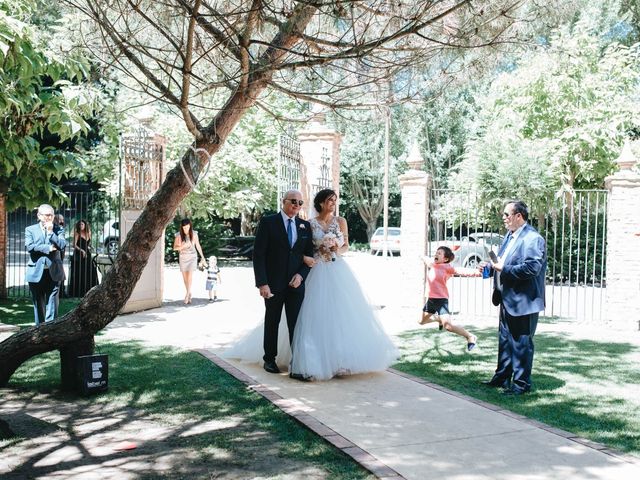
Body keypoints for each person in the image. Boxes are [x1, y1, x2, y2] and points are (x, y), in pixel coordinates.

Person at [479, 200, 546, 396]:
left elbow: (532, 268)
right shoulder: (510, 236)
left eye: (507, 215)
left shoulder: (533, 239)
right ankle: (501, 378)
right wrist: (489, 266)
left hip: (523, 300)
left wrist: (503, 268)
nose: (504, 218)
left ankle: (521, 385)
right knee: (506, 341)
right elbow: (501, 262)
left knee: (521, 344)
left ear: (519, 216)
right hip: (506, 297)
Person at [252, 189, 314, 375]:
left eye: (300, 202)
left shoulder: (305, 226)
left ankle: (298, 363)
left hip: (296, 285)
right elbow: (259, 255)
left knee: (296, 324)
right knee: (273, 321)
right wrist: (262, 283)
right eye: (293, 201)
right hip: (273, 284)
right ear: (284, 201)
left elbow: (309, 257)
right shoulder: (268, 222)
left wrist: (301, 275)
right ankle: (269, 359)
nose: (296, 205)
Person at [420, 246, 480, 351]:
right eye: (436, 252)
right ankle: (439, 319)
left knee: (448, 326)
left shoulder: (447, 268)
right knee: (421, 321)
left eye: (439, 253)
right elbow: (426, 259)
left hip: (441, 300)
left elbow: (461, 270)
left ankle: (470, 337)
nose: (436, 254)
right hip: (430, 300)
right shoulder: (432, 264)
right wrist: (421, 256)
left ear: (446, 259)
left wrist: (478, 272)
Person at [25, 204, 66, 326]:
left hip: (54, 272)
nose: (49, 218)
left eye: (51, 215)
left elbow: (62, 245)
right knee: (38, 304)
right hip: (36, 272)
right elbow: (29, 247)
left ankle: (50, 330)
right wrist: (48, 248)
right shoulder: (30, 230)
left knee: (52, 304)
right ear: (39, 216)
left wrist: (50, 232)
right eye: (46, 215)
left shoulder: (58, 230)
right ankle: (39, 330)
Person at [173, 218, 205, 304]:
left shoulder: (194, 234)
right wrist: (183, 246)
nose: (186, 229)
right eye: (184, 228)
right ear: (182, 227)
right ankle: (189, 292)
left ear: (190, 226)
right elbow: (175, 248)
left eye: (187, 227)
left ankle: (187, 295)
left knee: (190, 276)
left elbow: (198, 246)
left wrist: (202, 257)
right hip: (183, 257)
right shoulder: (178, 235)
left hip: (192, 257)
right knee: (185, 278)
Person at [68, 220, 99, 297]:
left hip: (87, 254)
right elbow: (74, 245)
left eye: (82, 224)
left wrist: (91, 247)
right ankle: (78, 292)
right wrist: (81, 250)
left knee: (90, 270)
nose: (81, 226)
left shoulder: (88, 233)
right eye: (79, 224)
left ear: (85, 225)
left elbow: (87, 243)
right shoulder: (77, 233)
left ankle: (90, 291)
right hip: (78, 254)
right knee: (79, 271)